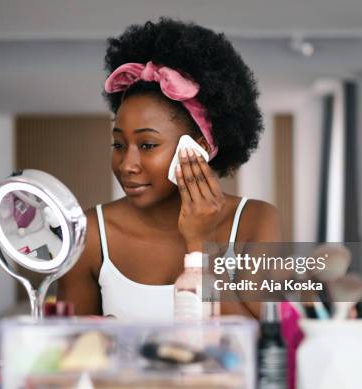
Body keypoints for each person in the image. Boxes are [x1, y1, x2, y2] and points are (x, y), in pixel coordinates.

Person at [58, 18, 280, 320]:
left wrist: (201, 246)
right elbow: (70, 351)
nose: (126, 165)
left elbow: (260, 345)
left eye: (147, 145)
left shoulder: (255, 221)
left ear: (198, 148)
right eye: (119, 144)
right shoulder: (91, 233)